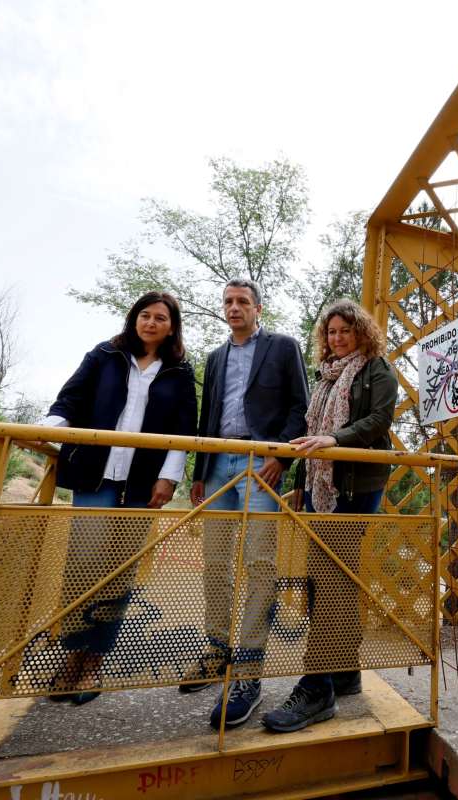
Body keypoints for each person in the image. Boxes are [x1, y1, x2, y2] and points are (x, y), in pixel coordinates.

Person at [42, 291, 197, 705]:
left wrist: (169, 478)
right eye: (144, 315)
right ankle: (72, 654)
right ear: (134, 319)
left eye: (160, 318)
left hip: (143, 483)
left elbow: (184, 432)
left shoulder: (179, 372)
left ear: (171, 326)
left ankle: (95, 661)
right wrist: (52, 432)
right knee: (83, 566)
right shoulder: (105, 355)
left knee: (120, 570)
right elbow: (69, 399)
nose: (150, 322)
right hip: (96, 477)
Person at [261, 298, 397, 733]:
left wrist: (335, 438)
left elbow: (379, 420)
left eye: (345, 330)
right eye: (331, 332)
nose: (337, 338)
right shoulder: (326, 377)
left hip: (356, 486)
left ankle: (317, 688)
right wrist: (303, 481)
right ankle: (344, 670)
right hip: (322, 487)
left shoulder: (376, 368)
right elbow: (309, 438)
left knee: (330, 580)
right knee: (336, 578)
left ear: (362, 332)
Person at [184, 277, 309, 729]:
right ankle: (217, 650)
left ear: (258, 307)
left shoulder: (282, 347)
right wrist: (198, 473)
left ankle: (249, 674)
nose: (234, 308)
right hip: (217, 462)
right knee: (215, 561)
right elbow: (207, 415)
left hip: (261, 463)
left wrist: (280, 455)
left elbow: (301, 406)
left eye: (242, 302)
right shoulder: (216, 357)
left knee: (259, 563)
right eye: (228, 302)